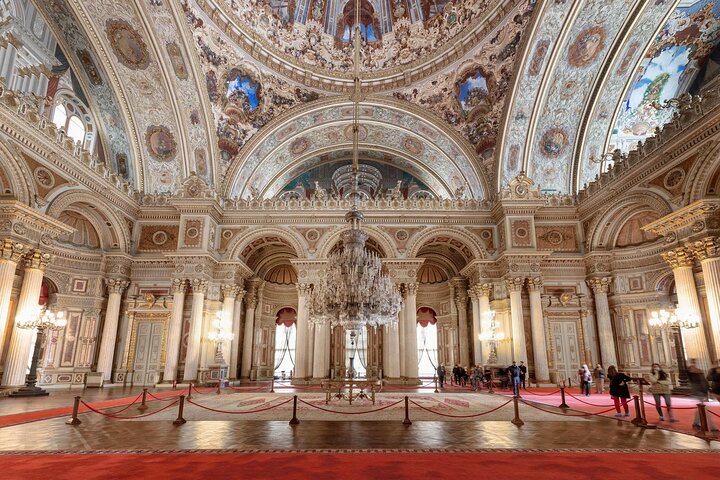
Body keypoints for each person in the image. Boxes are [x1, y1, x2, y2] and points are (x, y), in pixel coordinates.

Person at [688, 358, 710, 429]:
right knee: (702, 409)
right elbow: (690, 372)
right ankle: (697, 424)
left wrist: (707, 390)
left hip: (702, 391)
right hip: (697, 391)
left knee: (702, 409)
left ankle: (697, 423)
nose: (694, 364)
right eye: (693, 362)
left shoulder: (700, 371)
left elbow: (704, 381)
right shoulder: (691, 371)